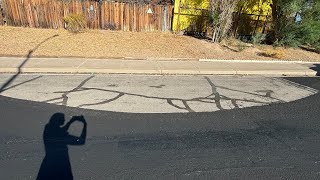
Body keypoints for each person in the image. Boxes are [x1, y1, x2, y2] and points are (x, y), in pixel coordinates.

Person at [37, 113, 87, 180]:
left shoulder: (48, 130)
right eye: (62, 119)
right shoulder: (62, 136)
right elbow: (81, 141)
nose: (64, 120)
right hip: (61, 166)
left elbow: (59, 131)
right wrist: (84, 124)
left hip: (48, 164)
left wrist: (70, 122)